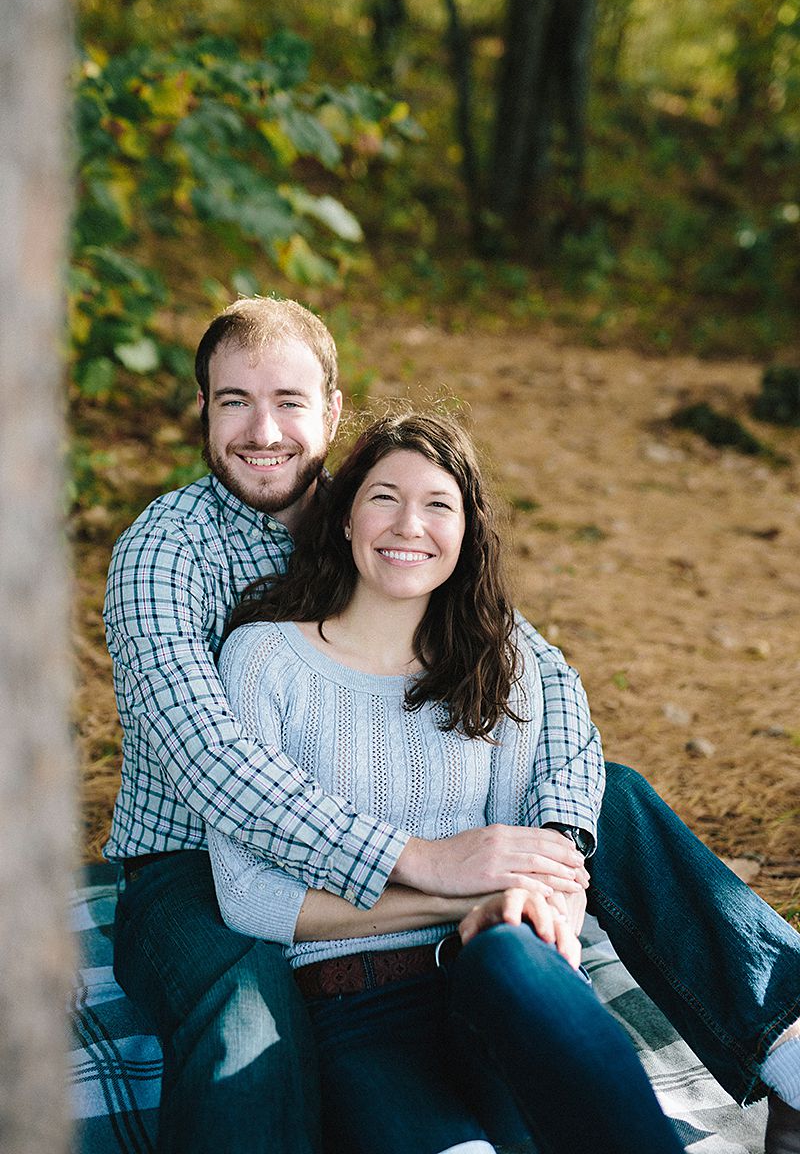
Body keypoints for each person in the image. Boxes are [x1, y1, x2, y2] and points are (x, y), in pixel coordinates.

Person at [103, 295, 800, 1154]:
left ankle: (787, 1050)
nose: (262, 430)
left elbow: (540, 671)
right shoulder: (165, 552)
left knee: (604, 794)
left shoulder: (376, 510)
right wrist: (431, 864)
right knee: (246, 1021)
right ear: (203, 410)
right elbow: (214, 764)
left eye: (288, 401)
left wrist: (551, 850)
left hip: (412, 857)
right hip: (190, 863)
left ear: (331, 409)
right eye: (232, 401)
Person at [207, 410, 687, 1154]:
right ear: (343, 518)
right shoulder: (263, 661)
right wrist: (454, 887)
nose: (409, 525)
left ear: (465, 536)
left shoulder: (499, 662)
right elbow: (248, 897)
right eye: (383, 497)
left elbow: (527, 848)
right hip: (354, 1013)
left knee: (508, 960)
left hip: (494, 975)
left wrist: (507, 899)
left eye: (439, 505)